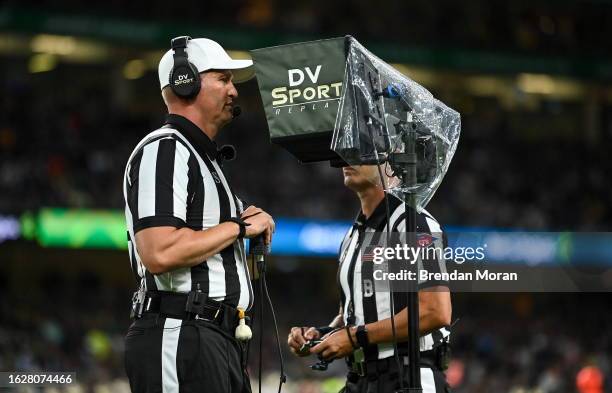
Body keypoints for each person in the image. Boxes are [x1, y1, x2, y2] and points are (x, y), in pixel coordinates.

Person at [122, 36, 274, 393]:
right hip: (181, 333)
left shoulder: (205, 160)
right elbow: (159, 252)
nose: (234, 91)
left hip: (215, 338)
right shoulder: (165, 150)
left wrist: (243, 232)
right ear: (185, 82)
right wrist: (238, 227)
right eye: (223, 79)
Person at [288, 164, 452, 393]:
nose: (347, 161)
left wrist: (355, 337)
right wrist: (322, 334)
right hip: (360, 379)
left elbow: (435, 311)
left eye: (361, 152)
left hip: (408, 376)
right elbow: (354, 315)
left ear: (390, 164)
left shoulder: (413, 223)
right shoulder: (352, 235)